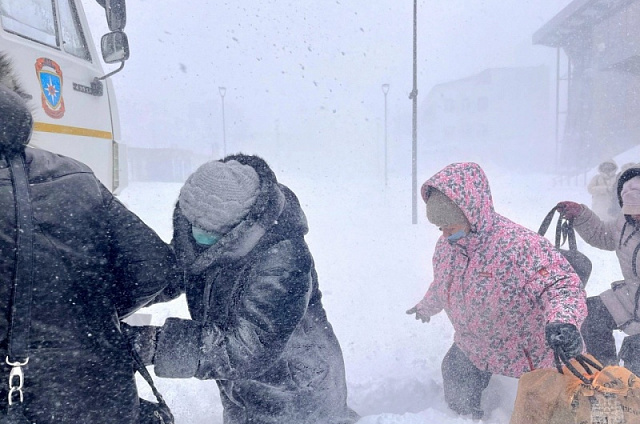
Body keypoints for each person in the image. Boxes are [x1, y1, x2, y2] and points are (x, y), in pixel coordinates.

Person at [0, 56, 178, 422]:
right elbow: (157, 268)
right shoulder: (77, 176)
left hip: (19, 402)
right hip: (100, 391)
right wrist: (89, 313)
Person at [124, 155, 360, 424]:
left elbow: (249, 347)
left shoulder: (283, 261)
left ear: (239, 226)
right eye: (193, 225)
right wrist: (117, 295)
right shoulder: (207, 232)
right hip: (241, 387)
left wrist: (154, 345)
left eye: (207, 230)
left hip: (294, 390)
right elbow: (177, 270)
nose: (197, 234)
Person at [406, 162, 587, 420]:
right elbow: (444, 283)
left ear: (471, 214)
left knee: (542, 410)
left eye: (451, 226)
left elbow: (561, 285)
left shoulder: (519, 246)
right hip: (475, 346)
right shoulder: (448, 248)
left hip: (528, 352)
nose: (445, 235)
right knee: (455, 378)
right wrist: (426, 306)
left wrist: (563, 321)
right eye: (440, 228)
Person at [558, 166, 640, 375]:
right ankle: (605, 375)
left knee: (636, 353)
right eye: (632, 211)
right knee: (590, 314)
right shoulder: (625, 223)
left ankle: (633, 394)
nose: (637, 217)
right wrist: (581, 215)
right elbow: (603, 235)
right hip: (633, 296)